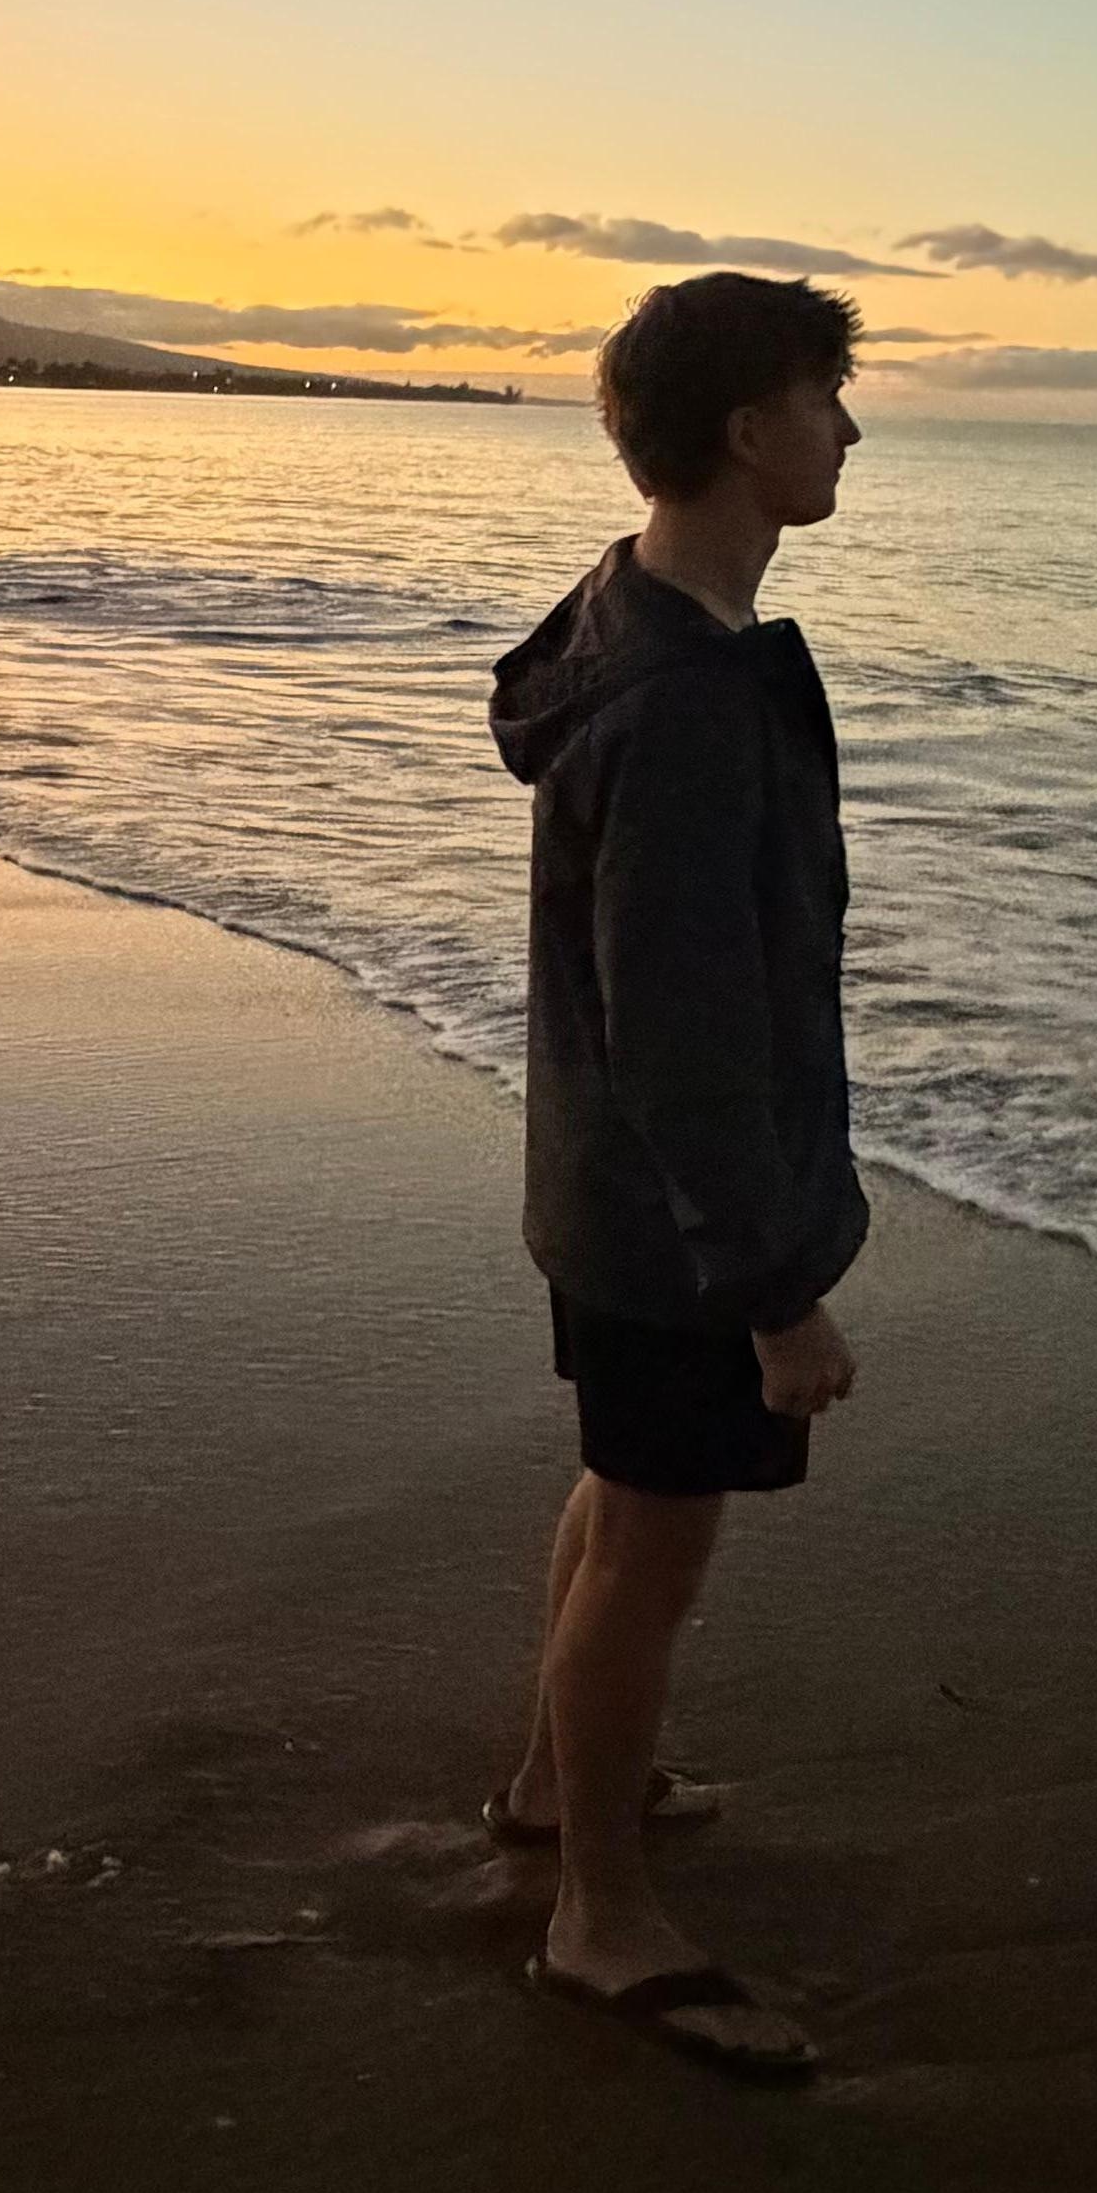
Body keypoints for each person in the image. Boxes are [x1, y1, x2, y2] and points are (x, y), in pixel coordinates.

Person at [485, 271, 864, 2081]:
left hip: (602, 1188)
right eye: (825, 397)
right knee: (653, 1541)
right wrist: (777, 1292)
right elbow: (689, 1039)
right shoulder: (689, 700)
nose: (851, 430)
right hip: (671, 1219)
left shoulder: (633, 613)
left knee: (615, 1492)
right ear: (745, 430)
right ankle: (601, 1917)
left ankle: (563, 1788)